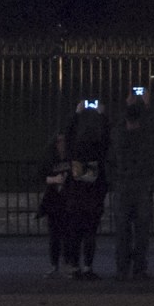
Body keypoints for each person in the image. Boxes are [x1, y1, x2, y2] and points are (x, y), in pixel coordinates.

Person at [106, 101, 154, 280]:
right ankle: (139, 269)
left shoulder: (118, 136)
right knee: (141, 232)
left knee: (122, 232)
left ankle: (122, 269)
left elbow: (110, 162)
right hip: (141, 187)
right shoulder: (144, 137)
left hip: (122, 187)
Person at [63, 104, 109, 280]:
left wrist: (76, 114)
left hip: (75, 198)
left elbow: (67, 136)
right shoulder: (98, 151)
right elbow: (106, 139)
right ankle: (88, 267)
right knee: (90, 234)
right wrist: (103, 116)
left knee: (75, 234)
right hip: (93, 199)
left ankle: (74, 266)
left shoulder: (74, 150)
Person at [39, 133, 74, 279]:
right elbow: (41, 175)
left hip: (68, 199)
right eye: (59, 142)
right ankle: (54, 265)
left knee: (67, 234)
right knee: (54, 235)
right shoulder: (50, 159)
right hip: (54, 200)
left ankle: (67, 263)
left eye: (64, 141)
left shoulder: (70, 159)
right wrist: (54, 179)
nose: (62, 144)